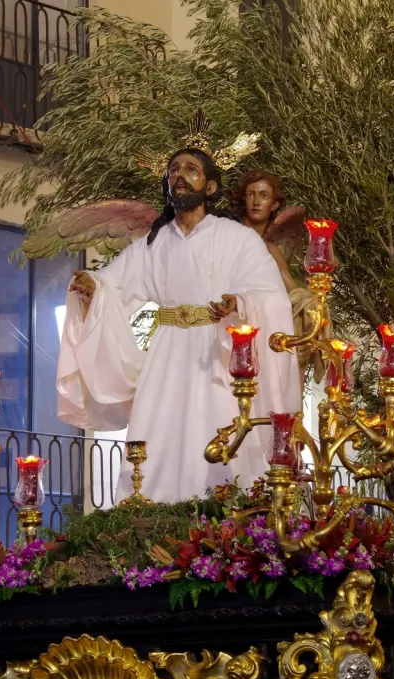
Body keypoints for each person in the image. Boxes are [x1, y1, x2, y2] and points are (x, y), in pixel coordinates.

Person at [57, 148, 302, 503]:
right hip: (167, 352)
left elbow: (270, 293)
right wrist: (93, 286)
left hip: (217, 349)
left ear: (212, 186)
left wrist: (240, 303)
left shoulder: (237, 238)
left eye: (191, 169)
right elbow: (116, 281)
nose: (180, 175)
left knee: (220, 426)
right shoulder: (153, 244)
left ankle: (225, 510)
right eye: (173, 170)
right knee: (158, 429)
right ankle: (152, 510)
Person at [228, 170, 331, 386]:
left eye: (264, 196)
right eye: (251, 195)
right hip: (229, 322)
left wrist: (313, 306)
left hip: (262, 326)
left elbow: (291, 291)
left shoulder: (270, 248)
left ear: (274, 204)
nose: (256, 202)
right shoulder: (227, 236)